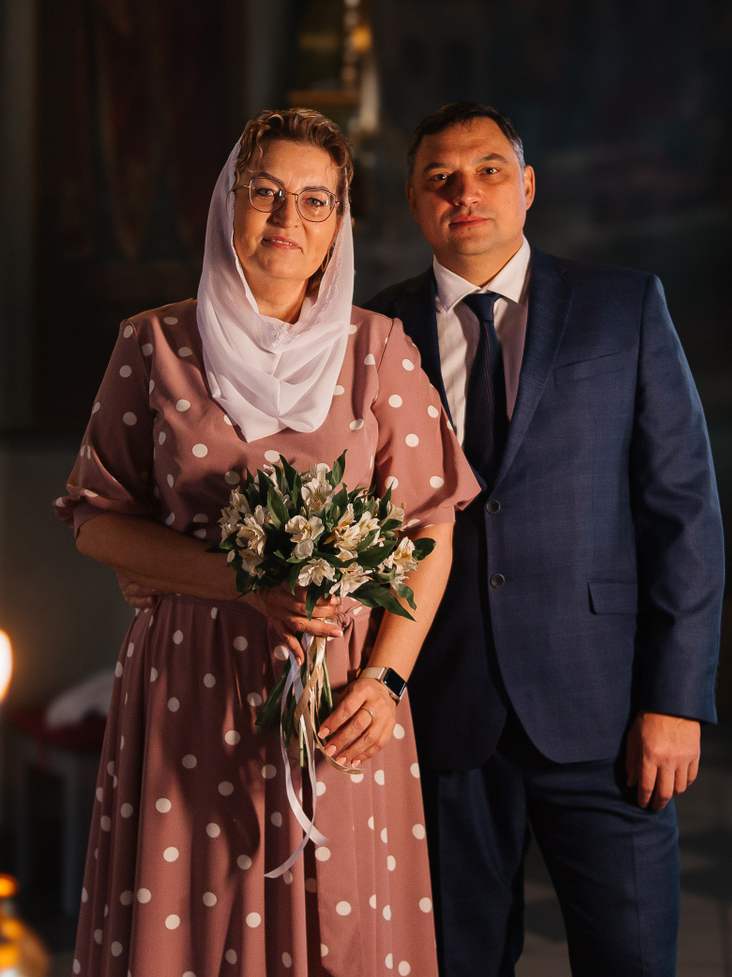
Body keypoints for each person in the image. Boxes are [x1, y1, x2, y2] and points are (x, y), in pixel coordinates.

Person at [57, 107, 480, 977]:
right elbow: (96, 519)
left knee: (338, 928)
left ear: (339, 223)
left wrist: (386, 680)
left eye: (316, 201)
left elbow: (430, 525)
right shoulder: (154, 343)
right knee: (194, 920)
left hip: (342, 691)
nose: (289, 219)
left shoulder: (377, 348)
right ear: (228, 203)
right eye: (266, 193)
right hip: (191, 679)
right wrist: (237, 582)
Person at [365, 101, 726, 977]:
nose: (466, 192)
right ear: (414, 201)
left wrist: (677, 699)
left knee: (631, 961)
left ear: (527, 186)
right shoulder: (373, 333)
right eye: (440, 178)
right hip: (442, 715)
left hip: (604, 713)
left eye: (488, 170)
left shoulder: (623, 307)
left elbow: (683, 510)